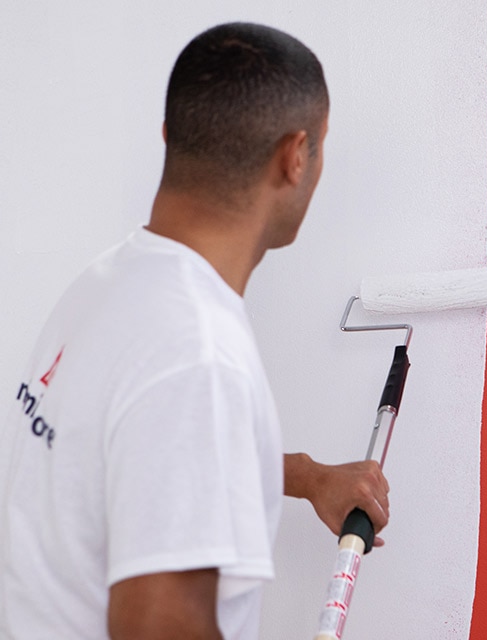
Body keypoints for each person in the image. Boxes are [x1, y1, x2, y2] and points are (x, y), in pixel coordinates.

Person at [0, 22, 390, 639]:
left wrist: (309, 476)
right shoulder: (198, 354)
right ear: (294, 157)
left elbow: (143, 448)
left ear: (169, 137)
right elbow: (159, 624)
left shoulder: (107, 286)